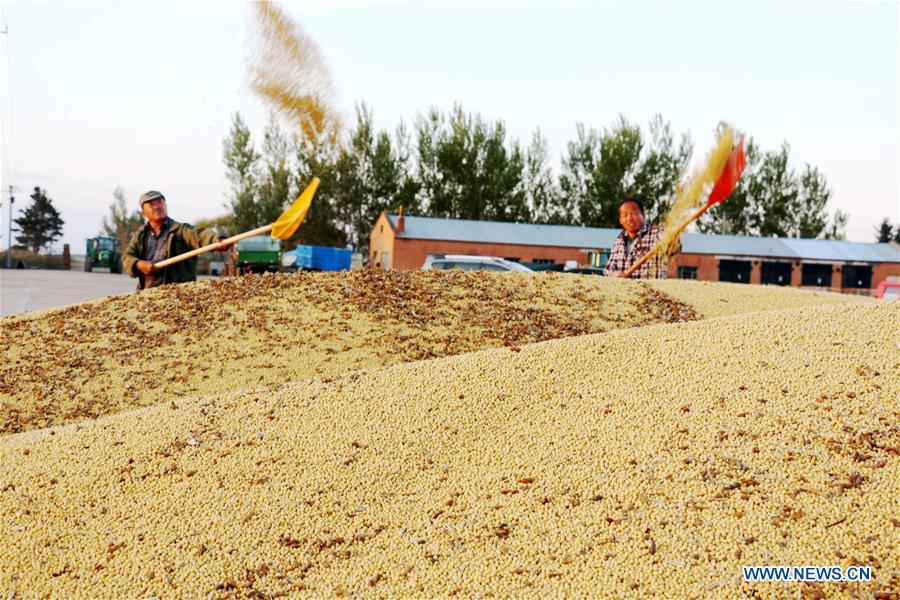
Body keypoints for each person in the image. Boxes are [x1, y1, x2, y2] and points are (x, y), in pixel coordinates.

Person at [122, 191, 231, 291]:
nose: (156, 207)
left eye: (159, 202)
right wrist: (139, 264)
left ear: (165, 206)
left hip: (178, 294)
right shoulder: (141, 235)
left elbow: (200, 235)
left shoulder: (181, 231)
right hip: (147, 294)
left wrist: (216, 240)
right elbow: (127, 256)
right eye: (151, 204)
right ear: (143, 213)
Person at [603, 198, 670, 279]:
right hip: (626, 290)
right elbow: (607, 269)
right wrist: (614, 274)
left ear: (643, 215)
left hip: (652, 290)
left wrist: (670, 239)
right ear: (620, 220)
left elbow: (672, 248)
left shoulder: (657, 233)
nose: (629, 218)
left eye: (634, 213)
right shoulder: (619, 240)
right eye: (625, 215)